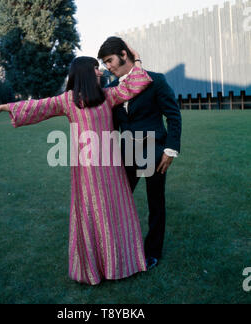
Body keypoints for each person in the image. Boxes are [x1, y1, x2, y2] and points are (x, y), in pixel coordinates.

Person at [0, 49, 153, 286]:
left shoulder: (107, 95)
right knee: (95, 212)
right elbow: (37, 107)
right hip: (88, 170)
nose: (100, 70)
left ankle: (120, 263)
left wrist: (137, 59)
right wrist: (3, 107)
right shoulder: (68, 100)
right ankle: (98, 267)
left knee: (116, 210)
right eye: (95, 67)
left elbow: (137, 82)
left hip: (111, 165)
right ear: (85, 73)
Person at [98, 37, 182, 270]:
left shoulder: (156, 81)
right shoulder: (111, 89)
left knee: (156, 204)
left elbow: (173, 117)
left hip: (156, 153)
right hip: (127, 154)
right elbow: (113, 125)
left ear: (124, 54)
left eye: (109, 60)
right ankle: (121, 247)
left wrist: (170, 150)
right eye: (104, 63)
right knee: (118, 203)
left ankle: (153, 252)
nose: (108, 67)